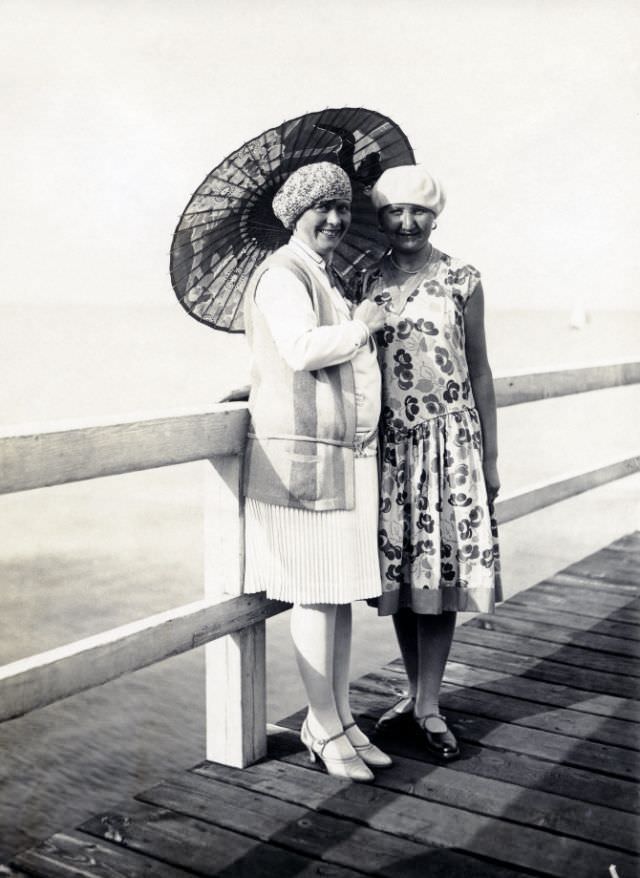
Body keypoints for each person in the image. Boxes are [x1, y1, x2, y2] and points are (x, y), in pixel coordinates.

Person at [243, 161, 390, 782]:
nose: (334, 219)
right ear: (294, 213)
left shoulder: (322, 274)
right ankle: (320, 725)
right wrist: (363, 326)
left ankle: (342, 717)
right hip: (302, 461)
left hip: (339, 459)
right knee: (315, 594)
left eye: (343, 209)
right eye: (321, 208)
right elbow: (299, 349)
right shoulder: (284, 272)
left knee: (338, 594)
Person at [361, 165, 502, 760]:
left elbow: (480, 370)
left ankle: (430, 703)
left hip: (452, 447)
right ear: (381, 218)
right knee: (403, 576)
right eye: (394, 211)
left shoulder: (461, 279)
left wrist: (490, 460)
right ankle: (414, 693)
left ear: (435, 216)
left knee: (440, 578)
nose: (406, 222)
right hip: (394, 448)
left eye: (418, 211)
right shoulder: (366, 282)